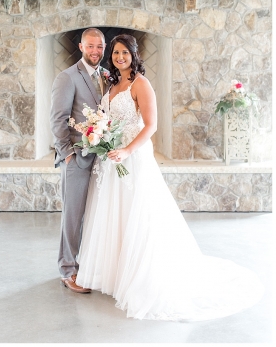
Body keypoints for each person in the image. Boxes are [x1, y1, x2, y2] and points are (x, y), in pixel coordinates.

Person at [76, 34, 264, 320]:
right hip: (112, 158)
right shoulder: (112, 83)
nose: (119, 57)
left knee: (139, 214)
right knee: (114, 214)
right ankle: (115, 276)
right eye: (115, 53)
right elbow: (108, 119)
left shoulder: (141, 84)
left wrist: (126, 150)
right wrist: (101, 137)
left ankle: (141, 278)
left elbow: (151, 126)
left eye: (125, 53)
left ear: (134, 55)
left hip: (133, 157)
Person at [49, 28, 109, 293]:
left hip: (101, 159)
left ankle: (91, 267)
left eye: (100, 47)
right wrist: (68, 155)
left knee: (96, 216)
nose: (95, 51)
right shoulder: (67, 77)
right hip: (77, 158)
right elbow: (58, 119)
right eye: (90, 46)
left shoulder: (107, 76)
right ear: (81, 46)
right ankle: (68, 270)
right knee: (73, 217)